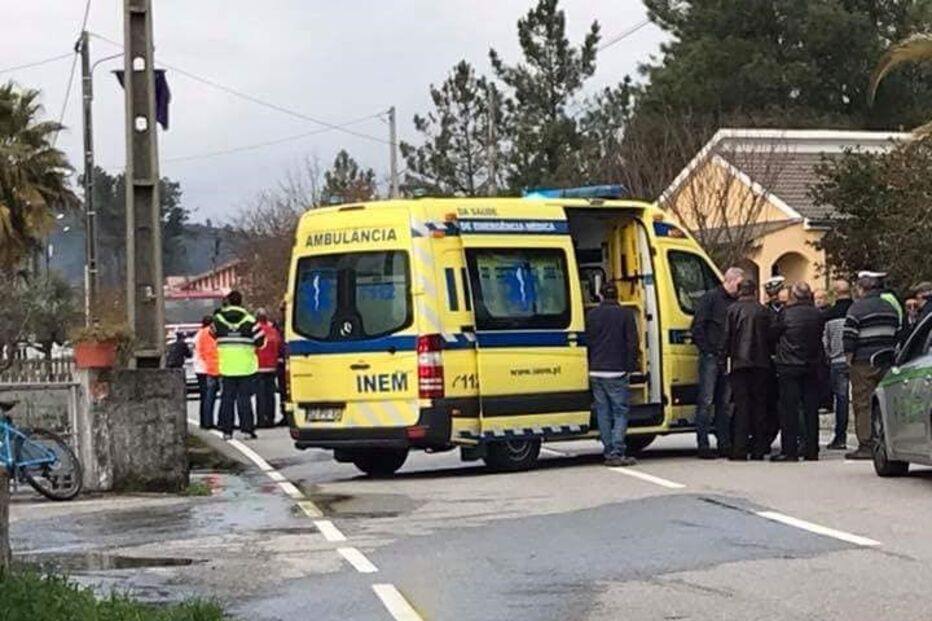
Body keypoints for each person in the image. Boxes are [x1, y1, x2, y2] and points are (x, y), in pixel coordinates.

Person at [843, 273, 900, 460]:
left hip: (863, 362)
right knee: (884, 402)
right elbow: (898, 333)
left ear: (861, 289)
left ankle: (866, 444)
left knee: (863, 403)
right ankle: (885, 440)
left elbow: (849, 336)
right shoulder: (890, 308)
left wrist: (848, 360)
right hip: (887, 361)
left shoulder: (856, 308)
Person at [692, 266, 744, 459]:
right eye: (739, 284)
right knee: (706, 401)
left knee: (724, 403)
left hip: (728, 357)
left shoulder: (735, 301)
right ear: (730, 280)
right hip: (712, 357)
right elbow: (698, 327)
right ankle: (703, 444)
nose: (740, 288)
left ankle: (724, 443)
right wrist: (708, 350)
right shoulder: (711, 298)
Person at [586, 282, 639, 467]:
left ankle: (608, 449)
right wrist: (630, 367)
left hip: (596, 369)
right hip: (617, 370)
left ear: (600, 295)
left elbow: (589, 342)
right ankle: (617, 451)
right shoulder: (625, 315)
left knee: (603, 411)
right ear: (617, 296)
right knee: (620, 411)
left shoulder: (591, 315)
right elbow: (633, 342)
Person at [771, 282, 825, 462]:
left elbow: (773, 335)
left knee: (789, 410)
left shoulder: (786, 313)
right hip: (812, 364)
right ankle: (812, 450)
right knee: (811, 409)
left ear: (794, 296)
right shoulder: (818, 314)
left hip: (789, 365)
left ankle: (790, 451)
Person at [722, 279, 772, 460]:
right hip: (761, 363)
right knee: (760, 406)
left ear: (739, 291)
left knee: (742, 407)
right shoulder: (763, 311)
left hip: (739, 363)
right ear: (755, 292)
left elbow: (726, 337)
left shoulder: (732, 310)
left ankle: (740, 449)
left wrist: (724, 360)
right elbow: (771, 337)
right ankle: (759, 448)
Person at [213, 290, 265, 441]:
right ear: (241, 301)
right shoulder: (250, 320)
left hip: (227, 366)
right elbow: (260, 341)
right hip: (246, 366)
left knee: (226, 399)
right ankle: (247, 430)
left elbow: (212, 334)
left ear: (228, 301)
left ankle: (227, 432)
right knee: (244, 399)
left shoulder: (218, 320)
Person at [822, 279, 853, 450]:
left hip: (837, 361)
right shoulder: (857, 311)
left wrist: (829, 356)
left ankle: (840, 437)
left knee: (841, 400)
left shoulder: (830, 315)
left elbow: (825, 342)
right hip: (856, 360)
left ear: (835, 294)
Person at [255, 308, 282, 429]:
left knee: (260, 395)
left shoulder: (255, 331)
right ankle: (270, 419)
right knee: (270, 395)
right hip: (271, 367)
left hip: (258, 366)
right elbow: (280, 346)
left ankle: (262, 419)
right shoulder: (273, 331)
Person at [193, 315, 220, 430]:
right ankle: (208, 421)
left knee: (204, 396)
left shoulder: (199, 333)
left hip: (199, 368)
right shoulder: (207, 333)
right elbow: (209, 352)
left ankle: (204, 421)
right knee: (209, 396)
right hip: (206, 368)